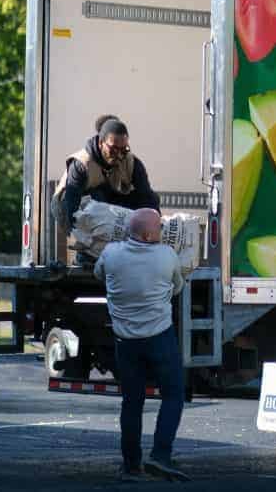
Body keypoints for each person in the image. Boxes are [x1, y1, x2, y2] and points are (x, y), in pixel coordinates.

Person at [94, 208, 187, 482]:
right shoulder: (166, 256)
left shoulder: (111, 254)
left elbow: (99, 274)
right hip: (160, 338)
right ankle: (160, 455)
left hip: (126, 342)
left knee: (132, 402)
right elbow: (178, 286)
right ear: (148, 235)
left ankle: (131, 464)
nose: (161, 230)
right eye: (159, 227)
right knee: (173, 394)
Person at [51, 114, 160, 234]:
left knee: (151, 198)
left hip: (105, 200)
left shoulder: (132, 163)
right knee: (98, 198)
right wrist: (82, 238)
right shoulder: (81, 165)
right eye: (113, 150)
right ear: (100, 143)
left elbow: (146, 196)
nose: (119, 155)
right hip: (68, 205)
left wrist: (156, 226)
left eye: (124, 150)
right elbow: (71, 207)